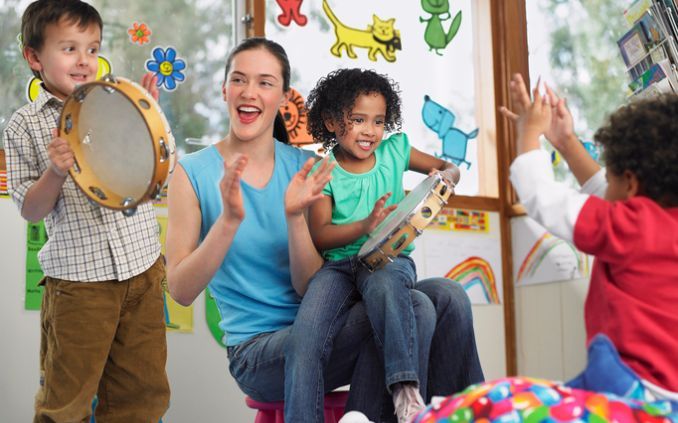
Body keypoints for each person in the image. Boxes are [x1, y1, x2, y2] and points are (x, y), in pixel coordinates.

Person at [165, 37, 484, 423]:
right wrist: (228, 223)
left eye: (265, 82)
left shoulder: (312, 169)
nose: (249, 92)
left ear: (283, 96)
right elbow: (180, 291)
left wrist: (297, 218)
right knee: (414, 307)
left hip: (330, 322)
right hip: (260, 352)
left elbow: (309, 283)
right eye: (239, 79)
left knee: (448, 296)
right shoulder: (192, 173)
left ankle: (466, 414)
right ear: (224, 89)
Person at [3, 0, 170, 421]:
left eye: (92, 49)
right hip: (80, 285)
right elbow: (30, 209)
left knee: (143, 397)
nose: (84, 60)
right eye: (70, 49)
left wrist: (144, 122)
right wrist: (56, 172)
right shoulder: (24, 124)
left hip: (142, 270)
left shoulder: (116, 100)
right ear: (34, 57)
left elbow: (152, 174)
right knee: (66, 403)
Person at [284, 68, 460, 423]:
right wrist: (365, 225)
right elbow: (320, 235)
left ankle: (405, 389)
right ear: (331, 122)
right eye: (358, 120)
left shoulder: (396, 151)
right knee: (305, 339)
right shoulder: (324, 171)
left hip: (388, 259)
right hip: (337, 268)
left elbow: (448, 167)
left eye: (378, 121)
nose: (370, 131)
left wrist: (444, 178)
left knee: (387, 287)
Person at [500, 73, 678, 404]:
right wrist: (566, 143)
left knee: (504, 401)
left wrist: (528, 135)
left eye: (611, 177)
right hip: (671, 399)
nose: (605, 188)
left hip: (633, 393)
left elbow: (543, 197)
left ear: (631, 184)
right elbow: (607, 197)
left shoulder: (632, 226)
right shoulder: (657, 225)